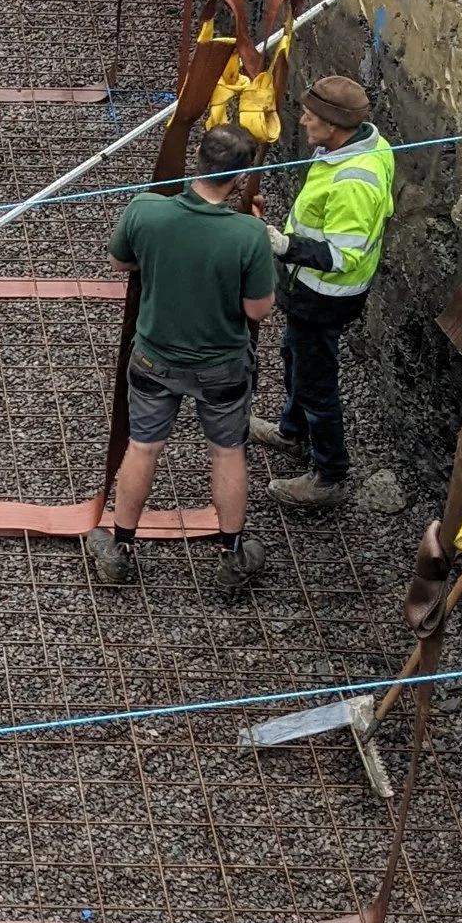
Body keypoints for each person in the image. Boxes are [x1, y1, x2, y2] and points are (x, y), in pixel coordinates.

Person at [88, 119, 274, 598]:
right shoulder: (249, 235)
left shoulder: (145, 210)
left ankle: (120, 547)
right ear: (238, 176)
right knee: (227, 451)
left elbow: (119, 261)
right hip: (223, 366)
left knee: (143, 446)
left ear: (200, 161)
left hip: (155, 359)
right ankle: (232, 555)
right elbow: (259, 309)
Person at [255, 73, 396, 510]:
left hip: (325, 295)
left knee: (318, 384)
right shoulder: (357, 146)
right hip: (309, 292)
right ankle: (291, 433)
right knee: (295, 356)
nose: (301, 121)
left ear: (334, 126)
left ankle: (330, 475)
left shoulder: (354, 181)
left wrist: (282, 244)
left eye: (310, 116)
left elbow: (342, 255)